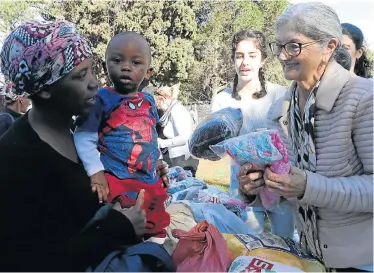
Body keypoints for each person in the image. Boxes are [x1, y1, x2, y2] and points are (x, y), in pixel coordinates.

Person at [0, 20, 169, 271]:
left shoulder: (75, 131)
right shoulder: (16, 161)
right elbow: (26, 262)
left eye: (91, 70)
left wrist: (146, 164)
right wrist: (118, 229)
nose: (94, 84)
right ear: (45, 90)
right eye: (80, 75)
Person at [240, 2, 373, 271]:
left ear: (330, 47)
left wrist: (308, 186)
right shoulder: (281, 110)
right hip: (309, 256)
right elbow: (283, 190)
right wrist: (257, 186)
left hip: (361, 260)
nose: (282, 55)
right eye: (279, 46)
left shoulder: (363, 98)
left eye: (294, 45)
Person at [74, 32, 170, 244]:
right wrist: (95, 172)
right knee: (123, 228)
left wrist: (159, 161)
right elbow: (83, 136)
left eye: (136, 62)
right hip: (117, 180)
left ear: (148, 72)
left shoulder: (148, 101)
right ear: (105, 64)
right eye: (117, 60)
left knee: (156, 224)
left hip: (149, 179)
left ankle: (154, 256)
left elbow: (150, 135)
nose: (126, 67)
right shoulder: (101, 99)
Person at [211, 29, 294, 238]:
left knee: (286, 245)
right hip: (243, 184)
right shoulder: (223, 100)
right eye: (239, 55)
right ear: (233, 59)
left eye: (252, 55)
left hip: (279, 183)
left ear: (263, 59)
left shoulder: (280, 94)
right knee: (246, 244)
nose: (245, 62)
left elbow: (289, 139)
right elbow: (220, 148)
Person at [155, 83, 199, 177]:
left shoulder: (177, 110)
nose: (157, 105)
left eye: (157, 101)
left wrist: (163, 143)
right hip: (177, 157)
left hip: (184, 159)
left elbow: (184, 138)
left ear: (163, 98)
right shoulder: (170, 112)